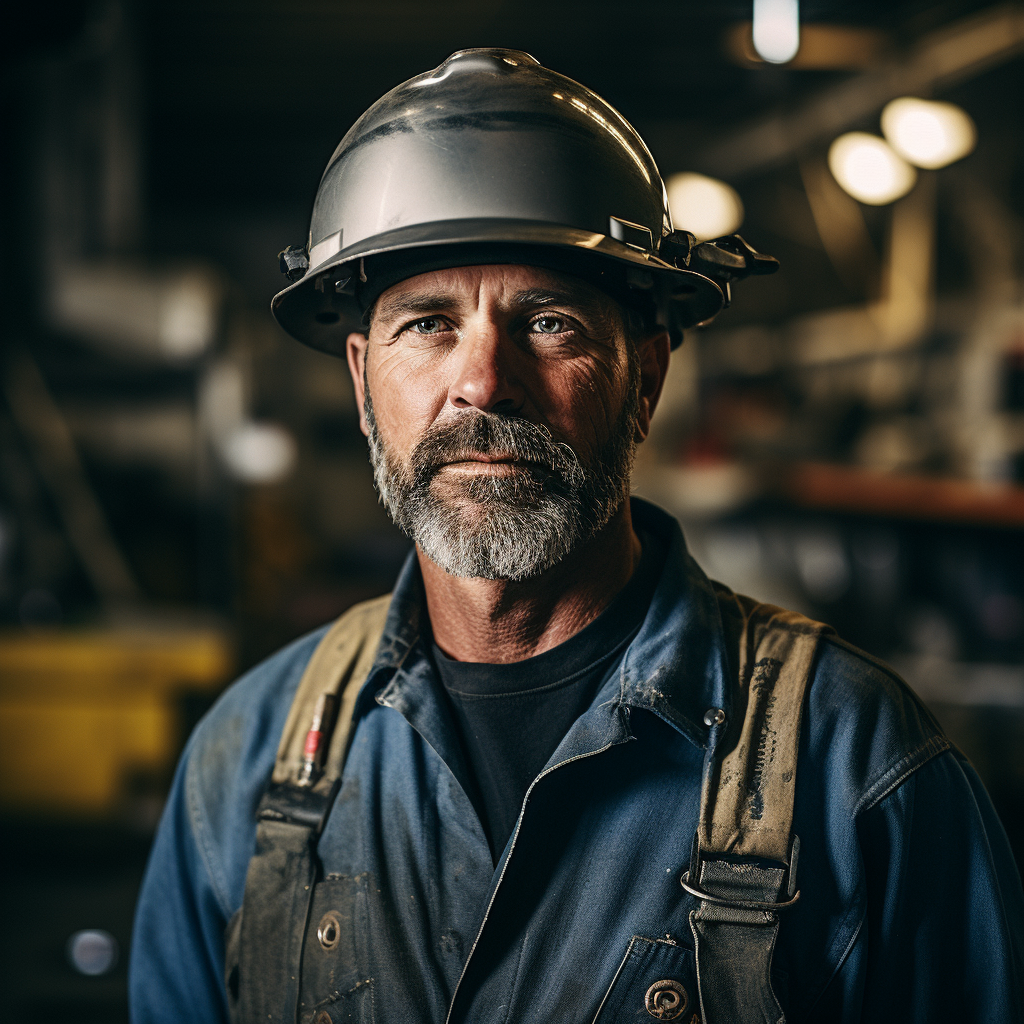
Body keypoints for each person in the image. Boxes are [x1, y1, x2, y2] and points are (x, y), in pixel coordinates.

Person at [129, 49, 1024, 1024]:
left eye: (547, 322)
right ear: (359, 382)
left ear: (644, 378)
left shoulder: (855, 768)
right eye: (428, 324)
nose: (482, 382)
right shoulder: (248, 762)